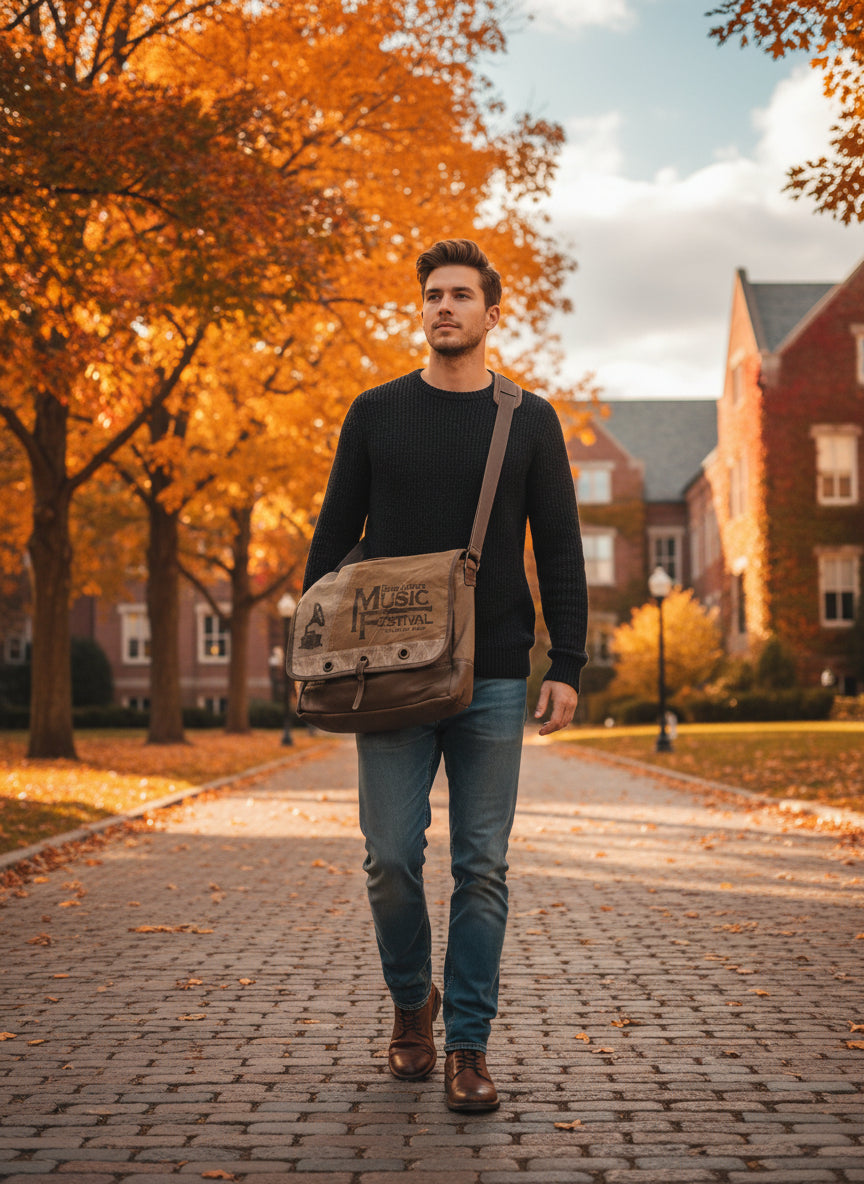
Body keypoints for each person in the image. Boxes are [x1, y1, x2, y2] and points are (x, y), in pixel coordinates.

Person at [302, 238, 588, 1112]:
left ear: (491, 314)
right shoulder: (375, 413)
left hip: (496, 674)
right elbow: (327, 543)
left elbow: (562, 549)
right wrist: (318, 645)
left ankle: (467, 1046)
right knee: (389, 858)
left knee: (482, 866)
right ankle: (409, 1008)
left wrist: (566, 663)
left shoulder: (528, 419)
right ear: (420, 309)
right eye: (433, 294)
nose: (444, 307)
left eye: (462, 295)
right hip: (388, 677)